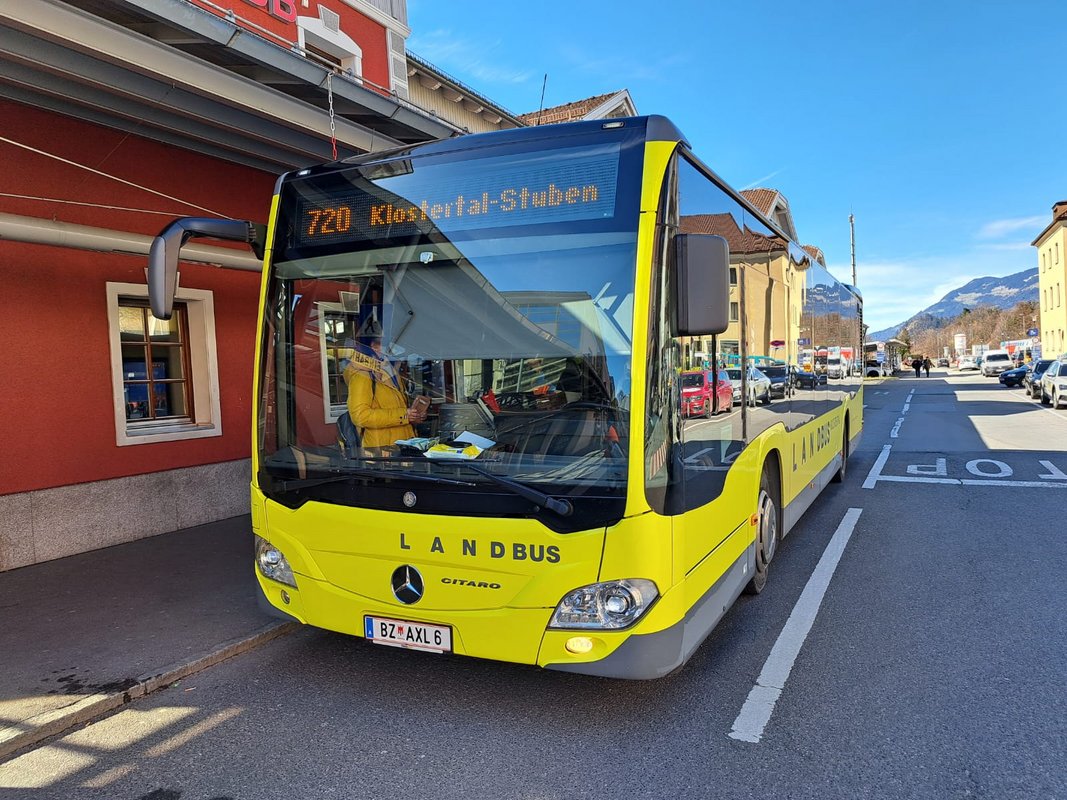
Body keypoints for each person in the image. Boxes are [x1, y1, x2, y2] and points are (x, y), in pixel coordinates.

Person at [343, 332, 426, 451]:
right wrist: (404, 414)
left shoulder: (389, 369)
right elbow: (360, 416)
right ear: (375, 347)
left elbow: (397, 406)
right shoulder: (362, 375)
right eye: (392, 344)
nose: (399, 349)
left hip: (402, 445)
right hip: (382, 450)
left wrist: (414, 415)